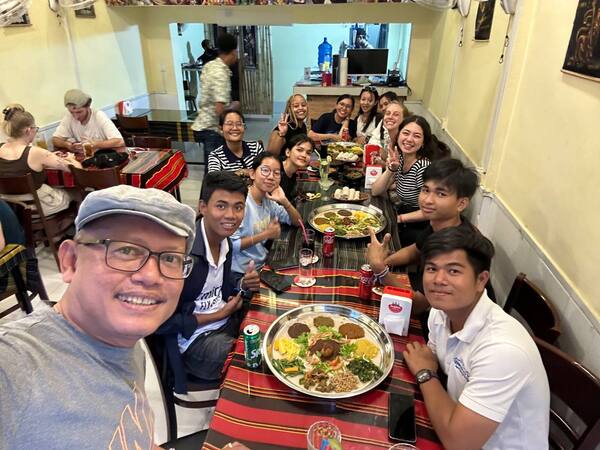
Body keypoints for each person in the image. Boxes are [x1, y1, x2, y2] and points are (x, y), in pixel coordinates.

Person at [0, 184, 198, 448]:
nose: (151, 276)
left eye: (171, 258)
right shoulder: (18, 367)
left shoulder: (124, 345)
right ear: (70, 261)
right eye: (126, 250)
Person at [403, 227, 550, 449]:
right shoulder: (441, 311)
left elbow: (458, 443)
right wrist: (428, 368)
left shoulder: (503, 350)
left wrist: (425, 373)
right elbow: (432, 358)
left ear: (481, 280)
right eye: (432, 268)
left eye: (453, 271)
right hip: (455, 417)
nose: (438, 280)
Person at [156, 172, 260, 393]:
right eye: (221, 206)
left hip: (225, 321)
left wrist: (242, 284)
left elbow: (218, 285)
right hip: (194, 342)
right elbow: (159, 322)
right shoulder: (181, 255)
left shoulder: (225, 244)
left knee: (270, 315)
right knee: (254, 357)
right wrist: (218, 315)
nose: (231, 215)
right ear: (202, 207)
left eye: (238, 207)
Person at [367, 158, 481, 313]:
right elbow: (414, 251)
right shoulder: (440, 223)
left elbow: (417, 306)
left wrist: (380, 269)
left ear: (461, 204)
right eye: (426, 190)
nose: (427, 200)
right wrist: (384, 260)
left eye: (441, 194)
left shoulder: (456, 247)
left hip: (451, 321)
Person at [231, 152, 302, 279]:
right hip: (241, 274)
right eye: (265, 170)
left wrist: (284, 201)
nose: (271, 177)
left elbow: (297, 221)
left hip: (262, 265)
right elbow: (231, 246)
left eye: (276, 173)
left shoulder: (268, 200)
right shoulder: (241, 204)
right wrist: (266, 234)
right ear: (252, 174)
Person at [0, 104, 80, 216]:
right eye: (35, 128)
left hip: (11, 208)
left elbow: (17, 167)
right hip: (39, 207)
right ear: (28, 130)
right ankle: (69, 226)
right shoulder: (36, 153)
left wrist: (46, 159)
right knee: (77, 192)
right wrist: (71, 159)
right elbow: (76, 170)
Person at [371, 115, 436, 246]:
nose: (409, 139)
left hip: (421, 225)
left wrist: (399, 219)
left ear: (423, 142)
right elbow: (375, 191)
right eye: (405, 133)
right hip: (405, 214)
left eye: (417, 136)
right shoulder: (401, 158)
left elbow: (431, 211)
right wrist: (391, 168)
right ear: (399, 135)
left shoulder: (423, 168)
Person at [191, 33, 239, 169]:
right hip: (212, 130)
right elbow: (220, 110)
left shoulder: (210, 66)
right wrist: (234, 106)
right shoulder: (220, 73)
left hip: (203, 124)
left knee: (213, 172)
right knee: (214, 174)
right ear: (234, 52)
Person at [52, 89, 125, 153]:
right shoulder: (69, 117)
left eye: (79, 112)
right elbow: (55, 139)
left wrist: (95, 144)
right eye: (71, 112)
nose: (75, 117)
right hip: (87, 157)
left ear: (88, 107)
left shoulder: (98, 116)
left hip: (106, 156)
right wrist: (67, 145)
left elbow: (119, 141)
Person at [207, 109, 263, 175]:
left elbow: (265, 171)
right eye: (229, 124)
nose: (235, 128)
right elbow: (213, 181)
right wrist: (241, 173)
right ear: (221, 129)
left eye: (239, 124)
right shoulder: (216, 156)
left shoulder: (255, 147)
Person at [279, 134, 314, 200]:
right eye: (299, 150)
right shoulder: (276, 171)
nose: (304, 155)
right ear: (288, 152)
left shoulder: (293, 173)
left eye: (308, 153)